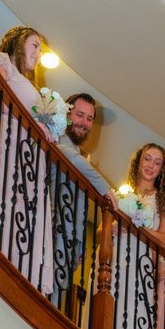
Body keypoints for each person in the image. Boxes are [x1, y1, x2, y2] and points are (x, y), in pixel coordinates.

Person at [0, 26, 54, 295]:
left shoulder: (30, 84)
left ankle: (16, 266)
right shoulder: (2, 61)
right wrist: (35, 128)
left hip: (24, 158)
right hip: (3, 144)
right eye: (35, 45)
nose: (38, 53)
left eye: (39, 48)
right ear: (18, 41)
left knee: (20, 212)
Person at [108, 144, 165, 329]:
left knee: (134, 312)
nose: (151, 166)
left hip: (140, 262)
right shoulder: (125, 191)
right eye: (147, 159)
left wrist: (133, 229)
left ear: (162, 170)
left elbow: (163, 239)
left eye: (157, 163)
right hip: (116, 256)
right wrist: (113, 228)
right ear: (139, 161)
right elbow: (101, 230)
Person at [50, 93, 117, 315]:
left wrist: (78, 244)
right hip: (51, 227)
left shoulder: (79, 153)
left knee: (57, 296)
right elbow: (69, 158)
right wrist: (105, 188)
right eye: (80, 115)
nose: (84, 123)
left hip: (68, 238)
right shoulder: (57, 136)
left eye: (89, 119)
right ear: (67, 114)